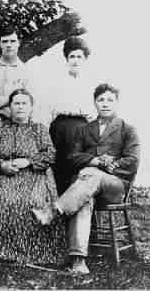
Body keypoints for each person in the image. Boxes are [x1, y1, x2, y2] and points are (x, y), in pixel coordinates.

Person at [33, 83, 140, 274]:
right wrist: (95, 160)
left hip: (114, 186)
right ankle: (78, 261)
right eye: (100, 100)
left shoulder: (127, 129)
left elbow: (132, 160)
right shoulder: (84, 130)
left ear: (117, 103)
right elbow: (72, 157)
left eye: (109, 100)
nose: (105, 104)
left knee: (93, 175)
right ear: (94, 103)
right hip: (85, 187)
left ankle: (53, 210)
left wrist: (108, 164)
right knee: (85, 198)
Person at [0, 89, 66, 266]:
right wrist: (1, 165)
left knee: (32, 201)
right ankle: (4, 249)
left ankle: (34, 251)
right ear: (10, 107)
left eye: (24, 103)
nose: (20, 107)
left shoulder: (39, 129)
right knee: (5, 200)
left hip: (35, 176)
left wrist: (29, 161)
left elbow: (50, 154)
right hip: (3, 176)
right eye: (16, 103)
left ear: (31, 107)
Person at [43, 37, 98, 195]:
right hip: (60, 128)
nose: (75, 60)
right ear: (66, 58)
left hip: (82, 128)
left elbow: (95, 112)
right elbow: (48, 110)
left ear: (85, 59)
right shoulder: (56, 81)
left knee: (79, 168)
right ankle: (58, 210)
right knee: (59, 168)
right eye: (72, 56)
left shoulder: (91, 82)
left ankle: (75, 208)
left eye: (79, 56)